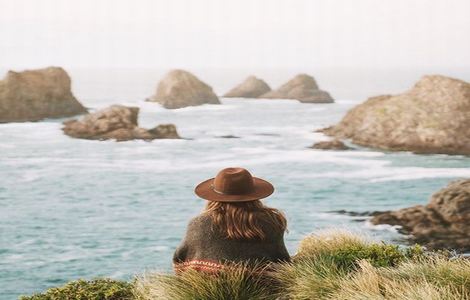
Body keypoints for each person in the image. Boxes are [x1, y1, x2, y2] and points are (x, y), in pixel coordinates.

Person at [173, 167, 290, 273]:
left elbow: (180, 259)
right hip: (263, 286)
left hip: (207, 287)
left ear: (214, 197)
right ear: (254, 194)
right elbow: (282, 260)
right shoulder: (272, 221)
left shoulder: (198, 223)